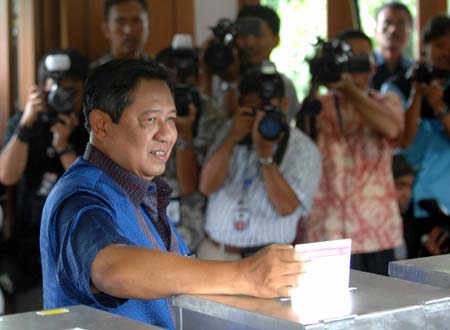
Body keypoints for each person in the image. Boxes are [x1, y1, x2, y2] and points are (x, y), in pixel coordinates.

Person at [39, 59, 308, 329]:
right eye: (151, 119)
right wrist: (246, 275)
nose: (168, 134)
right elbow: (111, 269)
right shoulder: (81, 196)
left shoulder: (138, 189)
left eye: (170, 118)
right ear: (101, 125)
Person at [303, 30, 404, 276]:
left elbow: (391, 128)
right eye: (348, 56)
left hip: (376, 232)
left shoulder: (387, 101)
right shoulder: (319, 104)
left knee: (382, 307)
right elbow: (303, 135)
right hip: (326, 229)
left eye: (361, 57)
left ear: (372, 64)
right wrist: (317, 78)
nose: (354, 63)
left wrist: (349, 89)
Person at [197, 62, 321, 261]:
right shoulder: (231, 130)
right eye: (252, 112)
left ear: (284, 104)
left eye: (266, 111)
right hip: (216, 253)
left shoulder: (303, 149)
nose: (258, 120)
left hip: (267, 259)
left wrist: (265, 156)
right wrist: (230, 140)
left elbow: (287, 207)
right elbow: (206, 186)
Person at [0, 48, 89, 295]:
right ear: (42, 89)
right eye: (56, 89)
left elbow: (90, 185)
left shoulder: (92, 127)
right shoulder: (27, 123)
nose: (62, 98)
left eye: (70, 91)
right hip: (28, 247)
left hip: (76, 248)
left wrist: (64, 146)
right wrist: (26, 125)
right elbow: (7, 175)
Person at [155, 35, 225, 251]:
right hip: (150, 219)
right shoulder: (143, 110)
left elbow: (193, 186)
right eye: (172, 75)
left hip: (197, 226)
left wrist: (185, 135)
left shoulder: (209, 111)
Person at [397, 14, 450, 252]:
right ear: (425, 47)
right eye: (439, 45)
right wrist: (417, 94)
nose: (445, 53)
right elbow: (403, 139)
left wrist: (440, 106)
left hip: (445, 199)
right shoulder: (398, 85)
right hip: (405, 201)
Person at [203, 4, 299, 122]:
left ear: (276, 40)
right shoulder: (220, 80)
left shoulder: (283, 85)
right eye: (243, 35)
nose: (250, 43)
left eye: (258, 35)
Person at [90, 0, 150, 70]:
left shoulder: (159, 71)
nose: (129, 30)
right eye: (120, 22)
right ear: (106, 28)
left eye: (136, 20)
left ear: (147, 25)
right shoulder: (94, 74)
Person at [372, 1, 413, 90]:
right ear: (375, 31)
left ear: (409, 33)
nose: (393, 30)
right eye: (387, 23)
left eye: (401, 24)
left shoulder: (413, 71)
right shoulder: (363, 66)